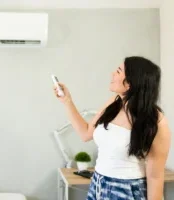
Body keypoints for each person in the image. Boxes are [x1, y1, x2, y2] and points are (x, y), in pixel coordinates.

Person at [54, 56, 171, 200]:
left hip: (127, 191)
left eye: (118, 71)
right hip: (97, 185)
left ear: (130, 83)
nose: (112, 74)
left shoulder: (156, 121)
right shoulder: (114, 103)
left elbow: (155, 177)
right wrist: (67, 101)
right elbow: (85, 133)